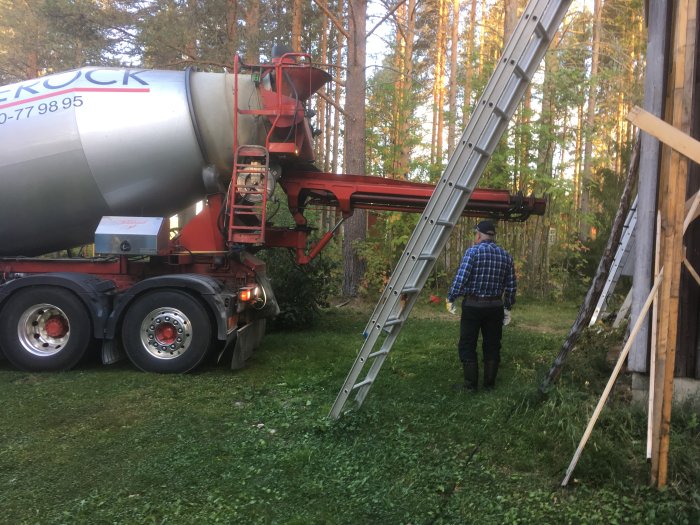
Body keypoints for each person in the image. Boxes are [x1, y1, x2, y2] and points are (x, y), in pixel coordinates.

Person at [446, 220, 516, 391]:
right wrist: (507, 306)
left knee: (467, 343)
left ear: (478, 235)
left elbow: (461, 279)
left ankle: (470, 386)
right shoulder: (505, 255)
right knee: (492, 344)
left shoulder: (472, 252)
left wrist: (451, 297)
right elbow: (512, 286)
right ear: (493, 235)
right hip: (495, 307)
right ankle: (489, 385)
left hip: (473, 306)